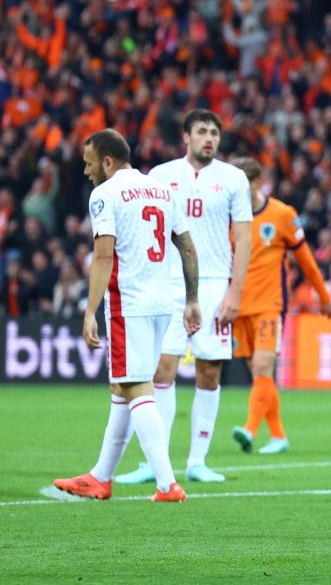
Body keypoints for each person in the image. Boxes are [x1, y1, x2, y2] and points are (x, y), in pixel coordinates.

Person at [53, 129, 201, 502]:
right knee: (123, 385)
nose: (87, 172)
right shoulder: (161, 189)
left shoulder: (105, 194)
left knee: (136, 387)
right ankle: (100, 477)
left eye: (89, 164)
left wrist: (89, 311)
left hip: (127, 304)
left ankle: (167, 484)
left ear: (107, 161)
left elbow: (104, 255)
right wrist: (192, 298)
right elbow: (185, 244)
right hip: (162, 302)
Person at [116, 110, 252, 484]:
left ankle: (197, 460)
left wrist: (234, 293)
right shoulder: (161, 176)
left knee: (209, 370)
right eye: (202, 132)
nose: (209, 138)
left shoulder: (233, 179)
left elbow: (243, 239)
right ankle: (152, 463)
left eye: (214, 133)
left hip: (213, 285)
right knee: (162, 369)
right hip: (169, 283)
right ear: (186, 137)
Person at [228, 157, 331, 455]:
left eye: (243, 185)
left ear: (258, 182)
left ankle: (249, 430)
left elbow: (307, 261)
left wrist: (324, 297)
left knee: (263, 367)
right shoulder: (229, 217)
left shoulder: (282, 214)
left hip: (270, 304)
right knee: (260, 376)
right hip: (239, 307)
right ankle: (278, 436)